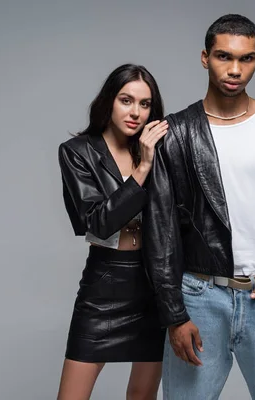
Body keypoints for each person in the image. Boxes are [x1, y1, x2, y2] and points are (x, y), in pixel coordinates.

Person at [142, 14, 255, 399]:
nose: (235, 69)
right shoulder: (175, 133)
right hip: (199, 297)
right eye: (224, 57)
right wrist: (175, 313)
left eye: (247, 58)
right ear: (205, 57)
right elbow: (161, 233)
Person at [57, 64, 168, 400]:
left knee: (142, 397)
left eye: (145, 104)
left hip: (154, 284)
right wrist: (142, 169)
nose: (135, 112)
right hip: (104, 285)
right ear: (109, 100)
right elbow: (99, 223)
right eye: (126, 100)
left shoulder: (158, 150)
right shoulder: (78, 152)